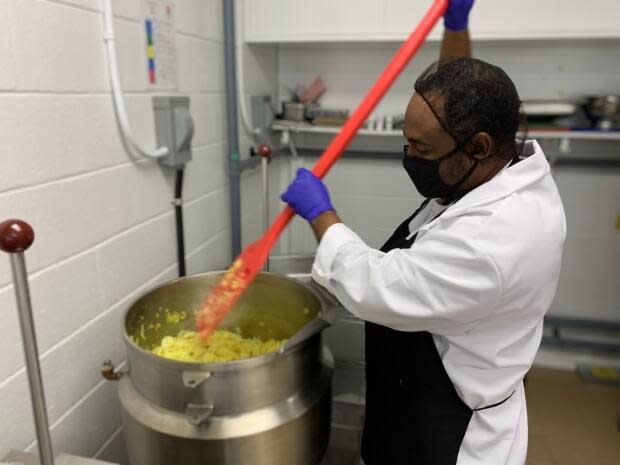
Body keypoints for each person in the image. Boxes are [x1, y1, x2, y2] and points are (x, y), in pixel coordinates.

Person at [280, 1, 566, 464]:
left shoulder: (491, 242)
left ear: (478, 146)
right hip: (419, 395)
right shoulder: (497, 165)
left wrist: (320, 213)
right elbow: (454, 93)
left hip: (453, 433)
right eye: (406, 141)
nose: (410, 155)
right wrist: (456, 26)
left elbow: (375, 286)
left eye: (421, 147)